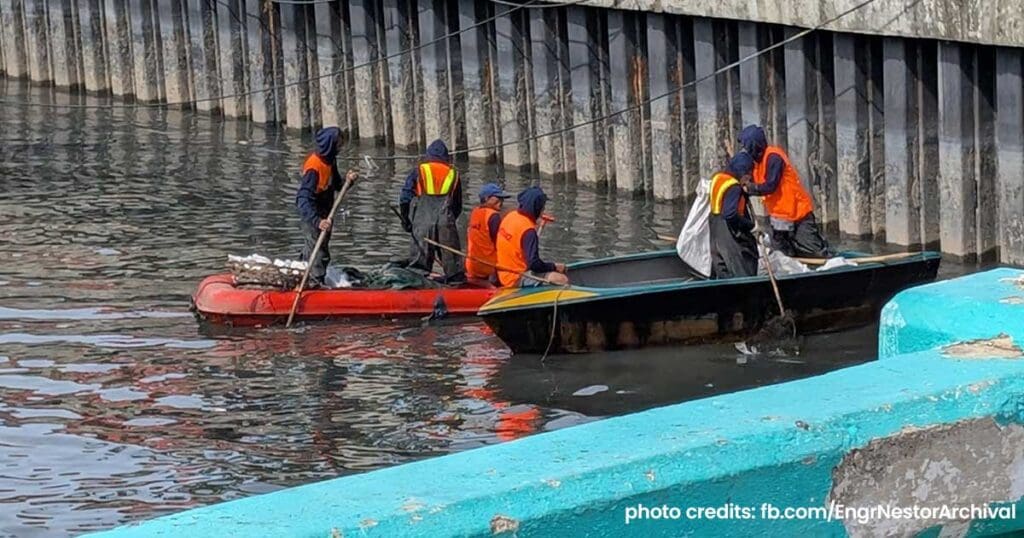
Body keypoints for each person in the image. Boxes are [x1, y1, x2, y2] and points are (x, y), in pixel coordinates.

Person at [738, 124, 832, 258]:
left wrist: (751, 188)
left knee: (815, 253)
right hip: (779, 217)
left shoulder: (774, 157)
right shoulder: (756, 163)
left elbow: (771, 185)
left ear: (754, 145)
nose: (744, 150)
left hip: (798, 215)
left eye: (746, 146)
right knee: (783, 255)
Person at [295, 126, 358, 288]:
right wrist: (317, 221)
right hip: (313, 212)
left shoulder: (330, 161)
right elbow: (302, 199)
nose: (341, 148)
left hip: (325, 209)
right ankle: (315, 282)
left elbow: (337, 184)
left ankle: (304, 273)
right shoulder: (313, 167)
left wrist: (348, 181)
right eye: (339, 144)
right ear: (331, 144)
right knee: (317, 247)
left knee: (317, 245)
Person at [399, 139, 464, 283]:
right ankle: (455, 281)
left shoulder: (420, 170)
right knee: (452, 259)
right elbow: (457, 204)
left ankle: (418, 283)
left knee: (419, 261)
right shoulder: (453, 173)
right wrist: (449, 221)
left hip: (422, 220)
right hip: (445, 219)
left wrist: (406, 220)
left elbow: (405, 197)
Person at [495, 186, 569, 287]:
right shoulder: (528, 230)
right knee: (561, 279)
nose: (543, 209)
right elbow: (534, 264)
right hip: (515, 278)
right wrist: (554, 266)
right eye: (542, 207)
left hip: (503, 273)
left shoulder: (510, 216)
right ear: (537, 208)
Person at [709, 153, 759, 279]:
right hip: (728, 232)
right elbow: (730, 214)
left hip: (715, 228)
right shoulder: (734, 187)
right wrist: (751, 226)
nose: (750, 176)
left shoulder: (718, 178)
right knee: (741, 268)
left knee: (722, 267)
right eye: (749, 173)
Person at [465, 183, 511, 282]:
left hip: (472, 265)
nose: (501, 202)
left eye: (502, 199)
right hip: (488, 268)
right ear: (486, 198)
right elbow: (499, 244)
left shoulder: (475, 212)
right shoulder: (493, 216)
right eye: (498, 199)